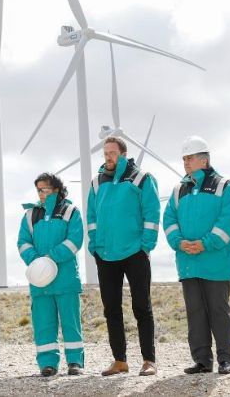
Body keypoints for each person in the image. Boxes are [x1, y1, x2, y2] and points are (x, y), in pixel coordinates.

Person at [163, 136, 230, 375]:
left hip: (216, 262)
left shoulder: (225, 185)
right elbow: (169, 219)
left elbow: (229, 221)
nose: (185, 162)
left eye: (189, 158)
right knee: (195, 312)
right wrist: (179, 242)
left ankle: (226, 359)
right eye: (184, 158)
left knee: (218, 311)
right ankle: (202, 361)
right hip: (188, 263)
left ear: (204, 159)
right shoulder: (178, 189)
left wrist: (205, 243)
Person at [87, 137, 159, 377]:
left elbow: (152, 211)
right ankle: (120, 360)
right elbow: (91, 217)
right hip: (105, 254)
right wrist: (95, 246)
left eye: (113, 152)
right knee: (111, 309)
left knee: (142, 306)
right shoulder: (97, 182)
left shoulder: (141, 178)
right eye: (105, 153)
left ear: (124, 154)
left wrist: (145, 246)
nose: (108, 157)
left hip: (134, 252)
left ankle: (149, 360)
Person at [17, 173, 84, 377]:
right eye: (39, 189)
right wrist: (36, 260)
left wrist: (50, 257)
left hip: (65, 279)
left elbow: (75, 240)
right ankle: (47, 363)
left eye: (45, 189)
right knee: (43, 323)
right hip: (40, 280)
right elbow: (22, 242)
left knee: (70, 322)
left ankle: (75, 362)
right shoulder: (30, 215)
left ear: (56, 189)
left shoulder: (71, 212)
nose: (41, 193)